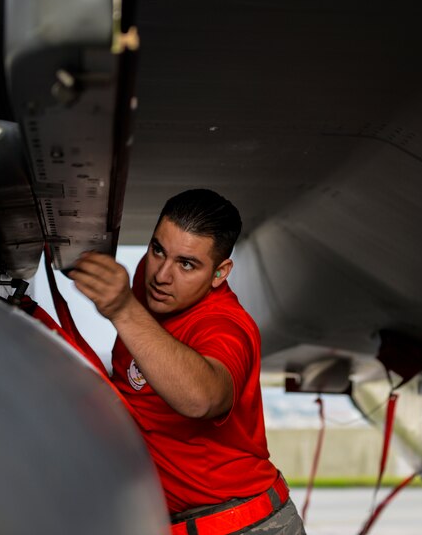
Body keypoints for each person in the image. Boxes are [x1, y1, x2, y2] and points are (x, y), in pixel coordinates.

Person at [70, 188, 306, 535]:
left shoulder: (226, 327)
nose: (162, 275)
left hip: (246, 526)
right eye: (157, 250)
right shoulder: (152, 287)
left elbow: (203, 398)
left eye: (187, 264)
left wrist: (123, 309)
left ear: (220, 273)